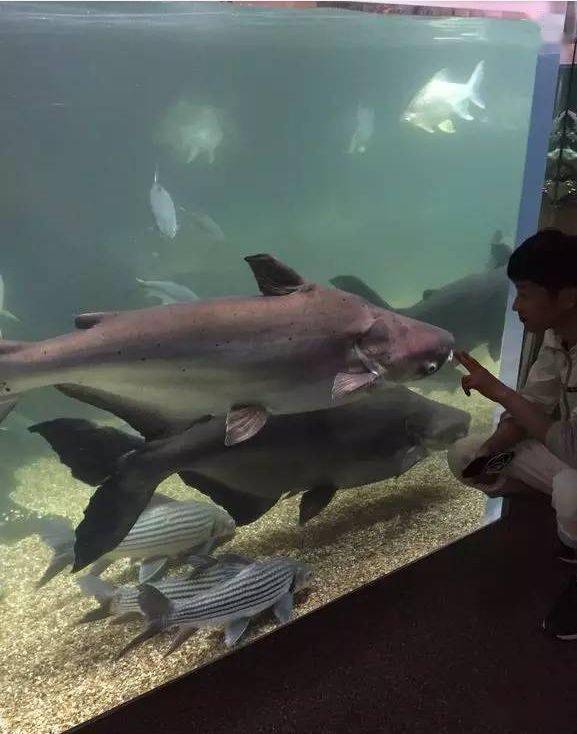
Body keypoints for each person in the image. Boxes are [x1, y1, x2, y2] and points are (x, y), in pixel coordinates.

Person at [447, 228, 577, 640]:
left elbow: (573, 448)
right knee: (468, 456)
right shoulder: (558, 335)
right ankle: (567, 523)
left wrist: (500, 391)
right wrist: (489, 454)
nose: (516, 306)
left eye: (525, 293)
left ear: (567, 296)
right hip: (568, 454)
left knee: (573, 494)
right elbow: (533, 406)